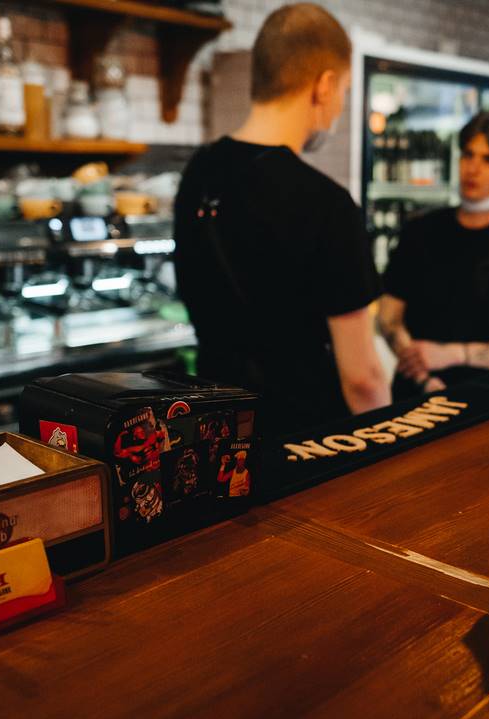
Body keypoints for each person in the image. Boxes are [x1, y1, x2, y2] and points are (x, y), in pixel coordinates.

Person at [173, 3, 390, 434]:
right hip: (305, 437)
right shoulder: (327, 204)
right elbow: (363, 379)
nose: (339, 106)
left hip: (216, 433)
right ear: (324, 86)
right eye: (344, 90)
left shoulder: (197, 172)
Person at [378, 111, 489, 398]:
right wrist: (423, 377)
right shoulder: (419, 231)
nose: (473, 168)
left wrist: (454, 353)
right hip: (414, 394)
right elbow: (388, 317)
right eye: (468, 155)